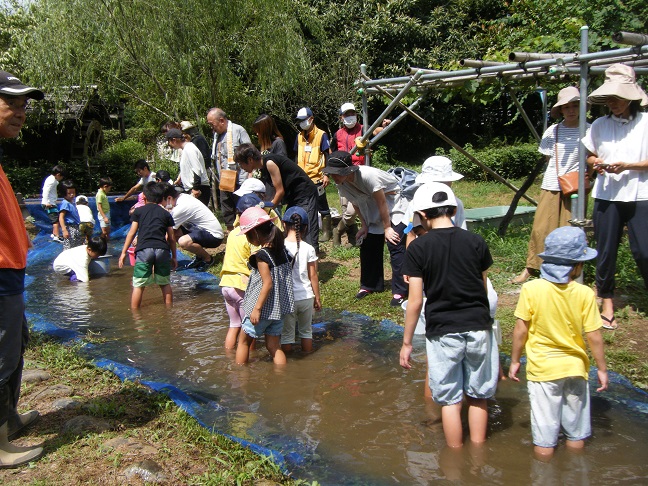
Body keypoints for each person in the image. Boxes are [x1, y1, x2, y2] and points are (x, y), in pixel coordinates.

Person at [399, 182, 498, 448]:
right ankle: (478, 457)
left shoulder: (418, 248)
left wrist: (407, 343)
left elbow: (416, 300)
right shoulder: (476, 241)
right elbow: (484, 289)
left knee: (451, 401)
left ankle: (455, 462)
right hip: (478, 326)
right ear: (454, 209)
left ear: (422, 215)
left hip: (443, 329)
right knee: (478, 397)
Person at [509, 226, 608, 460]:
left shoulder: (531, 289)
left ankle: (545, 474)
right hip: (575, 368)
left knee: (545, 439)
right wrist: (602, 369)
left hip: (543, 370)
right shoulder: (584, 293)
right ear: (576, 265)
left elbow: (520, 330)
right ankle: (575, 472)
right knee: (576, 435)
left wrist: (514, 360)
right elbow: (594, 336)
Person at [0, 69, 44, 466]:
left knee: (14, 347)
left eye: (23, 105)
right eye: (10, 102)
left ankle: (8, 419)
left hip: (11, 272)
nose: (19, 111)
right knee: (1, 353)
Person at [583, 64, 648, 330]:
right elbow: (588, 154)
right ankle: (607, 300)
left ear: (631, 96)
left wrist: (628, 166)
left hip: (641, 193)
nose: (613, 103)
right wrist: (596, 161)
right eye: (609, 98)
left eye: (618, 98)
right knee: (605, 251)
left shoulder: (646, 123)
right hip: (607, 194)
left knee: (644, 251)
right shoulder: (599, 124)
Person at [513, 87, 590, 284]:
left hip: (576, 187)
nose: (571, 110)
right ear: (561, 110)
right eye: (567, 107)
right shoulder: (553, 130)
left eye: (575, 105)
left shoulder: (589, 130)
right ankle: (532, 267)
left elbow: (593, 157)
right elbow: (548, 158)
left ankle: (567, 271)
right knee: (541, 227)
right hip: (552, 184)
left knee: (570, 229)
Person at [323, 151, 408, 306]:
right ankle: (370, 285)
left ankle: (401, 290)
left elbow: (382, 202)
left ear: (348, 170)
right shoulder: (341, 183)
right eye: (332, 173)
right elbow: (355, 202)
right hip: (371, 208)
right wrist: (364, 225)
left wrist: (388, 228)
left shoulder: (368, 176)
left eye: (337, 173)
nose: (334, 177)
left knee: (395, 242)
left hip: (393, 205)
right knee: (367, 242)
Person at [234, 143, 320, 253]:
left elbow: (280, 191)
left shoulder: (269, 163)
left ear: (250, 159)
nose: (241, 168)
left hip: (305, 194)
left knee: (306, 229)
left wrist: (267, 210)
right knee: (292, 226)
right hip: (294, 197)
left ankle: (312, 261)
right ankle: (298, 257)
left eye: (241, 164)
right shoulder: (262, 168)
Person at [236, 207, 294, 365]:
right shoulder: (282, 251)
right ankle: (281, 377)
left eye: (247, 235)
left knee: (243, 342)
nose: (248, 239)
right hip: (278, 310)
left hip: (262, 310)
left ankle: (239, 379)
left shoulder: (262, 256)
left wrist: (257, 309)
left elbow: (267, 284)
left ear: (254, 233)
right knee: (274, 346)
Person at [330, 103, 391, 246]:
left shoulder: (363, 129)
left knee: (352, 211)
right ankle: (351, 238)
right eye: (346, 114)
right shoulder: (338, 134)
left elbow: (377, 131)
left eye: (352, 113)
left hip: (360, 175)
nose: (350, 116)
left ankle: (338, 230)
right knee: (347, 210)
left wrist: (385, 125)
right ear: (341, 117)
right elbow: (332, 152)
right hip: (342, 176)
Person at [118, 182, 177, 309]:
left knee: (139, 285)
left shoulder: (138, 211)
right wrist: (174, 257)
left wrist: (123, 253)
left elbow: (131, 233)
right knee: (165, 283)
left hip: (144, 250)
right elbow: (171, 238)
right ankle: (169, 312)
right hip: (162, 250)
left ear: (144, 197)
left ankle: (135, 316)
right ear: (162, 198)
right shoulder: (166, 214)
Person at [220, 196, 261, 350]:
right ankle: (250, 358)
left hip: (226, 284)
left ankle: (229, 357)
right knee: (250, 329)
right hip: (241, 286)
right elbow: (258, 260)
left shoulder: (233, 232)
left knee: (234, 325)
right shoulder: (251, 235)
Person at [403, 156, 466, 248]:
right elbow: (411, 234)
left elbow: (461, 232)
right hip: (423, 253)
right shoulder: (416, 203)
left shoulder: (456, 203)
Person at [281, 206, 321, 353]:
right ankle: (308, 360)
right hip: (306, 297)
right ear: (305, 227)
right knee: (306, 332)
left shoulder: (280, 246)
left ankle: (286, 367)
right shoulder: (309, 248)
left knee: (286, 336)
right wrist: (317, 298)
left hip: (287, 298)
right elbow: (313, 276)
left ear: (284, 224)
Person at [207, 108, 252, 229]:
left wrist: (249, 176)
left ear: (221, 120)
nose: (212, 128)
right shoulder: (217, 136)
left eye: (212, 124)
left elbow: (249, 152)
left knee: (242, 208)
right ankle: (231, 235)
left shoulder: (238, 130)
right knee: (227, 209)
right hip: (224, 179)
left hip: (239, 179)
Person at [163, 186, 224, 271]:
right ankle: (200, 256)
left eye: (163, 202)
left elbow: (168, 236)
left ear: (169, 198)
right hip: (201, 230)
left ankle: (208, 259)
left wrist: (162, 259)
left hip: (214, 236)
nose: (163, 205)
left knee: (183, 241)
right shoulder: (182, 197)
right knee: (177, 233)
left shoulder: (180, 209)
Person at [294, 107, 332, 241]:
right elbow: (296, 156)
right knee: (306, 206)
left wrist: (326, 174)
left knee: (322, 204)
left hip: (318, 177)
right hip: (303, 178)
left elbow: (328, 155)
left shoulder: (322, 135)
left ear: (311, 119)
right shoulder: (299, 136)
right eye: (300, 121)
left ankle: (328, 233)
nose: (302, 123)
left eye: (304, 120)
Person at [166, 129, 211, 207]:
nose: (169, 145)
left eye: (169, 142)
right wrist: (180, 179)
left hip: (199, 189)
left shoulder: (189, 148)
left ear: (174, 140)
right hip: (193, 188)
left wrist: (196, 188)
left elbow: (197, 169)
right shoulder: (185, 150)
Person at [41, 165, 65, 242]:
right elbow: (46, 190)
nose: (61, 179)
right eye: (61, 177)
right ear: (58, 175)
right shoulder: (51, 180)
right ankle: (56, 236)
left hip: (51, 202)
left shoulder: (53, 180)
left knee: (54, 218)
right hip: (49, 203)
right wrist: (46, 202)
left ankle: (54, 234)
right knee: (55, 220)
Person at [58, 180, 84, 250]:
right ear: (64, 193)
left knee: (77, 247)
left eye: (73, 193)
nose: (72, 195)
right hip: (70, 228)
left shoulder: (72, 202)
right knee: (69, 247)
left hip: (76, 227)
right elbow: (61, 217)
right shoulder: (65, 203)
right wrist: (64, 230)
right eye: (69, 193)